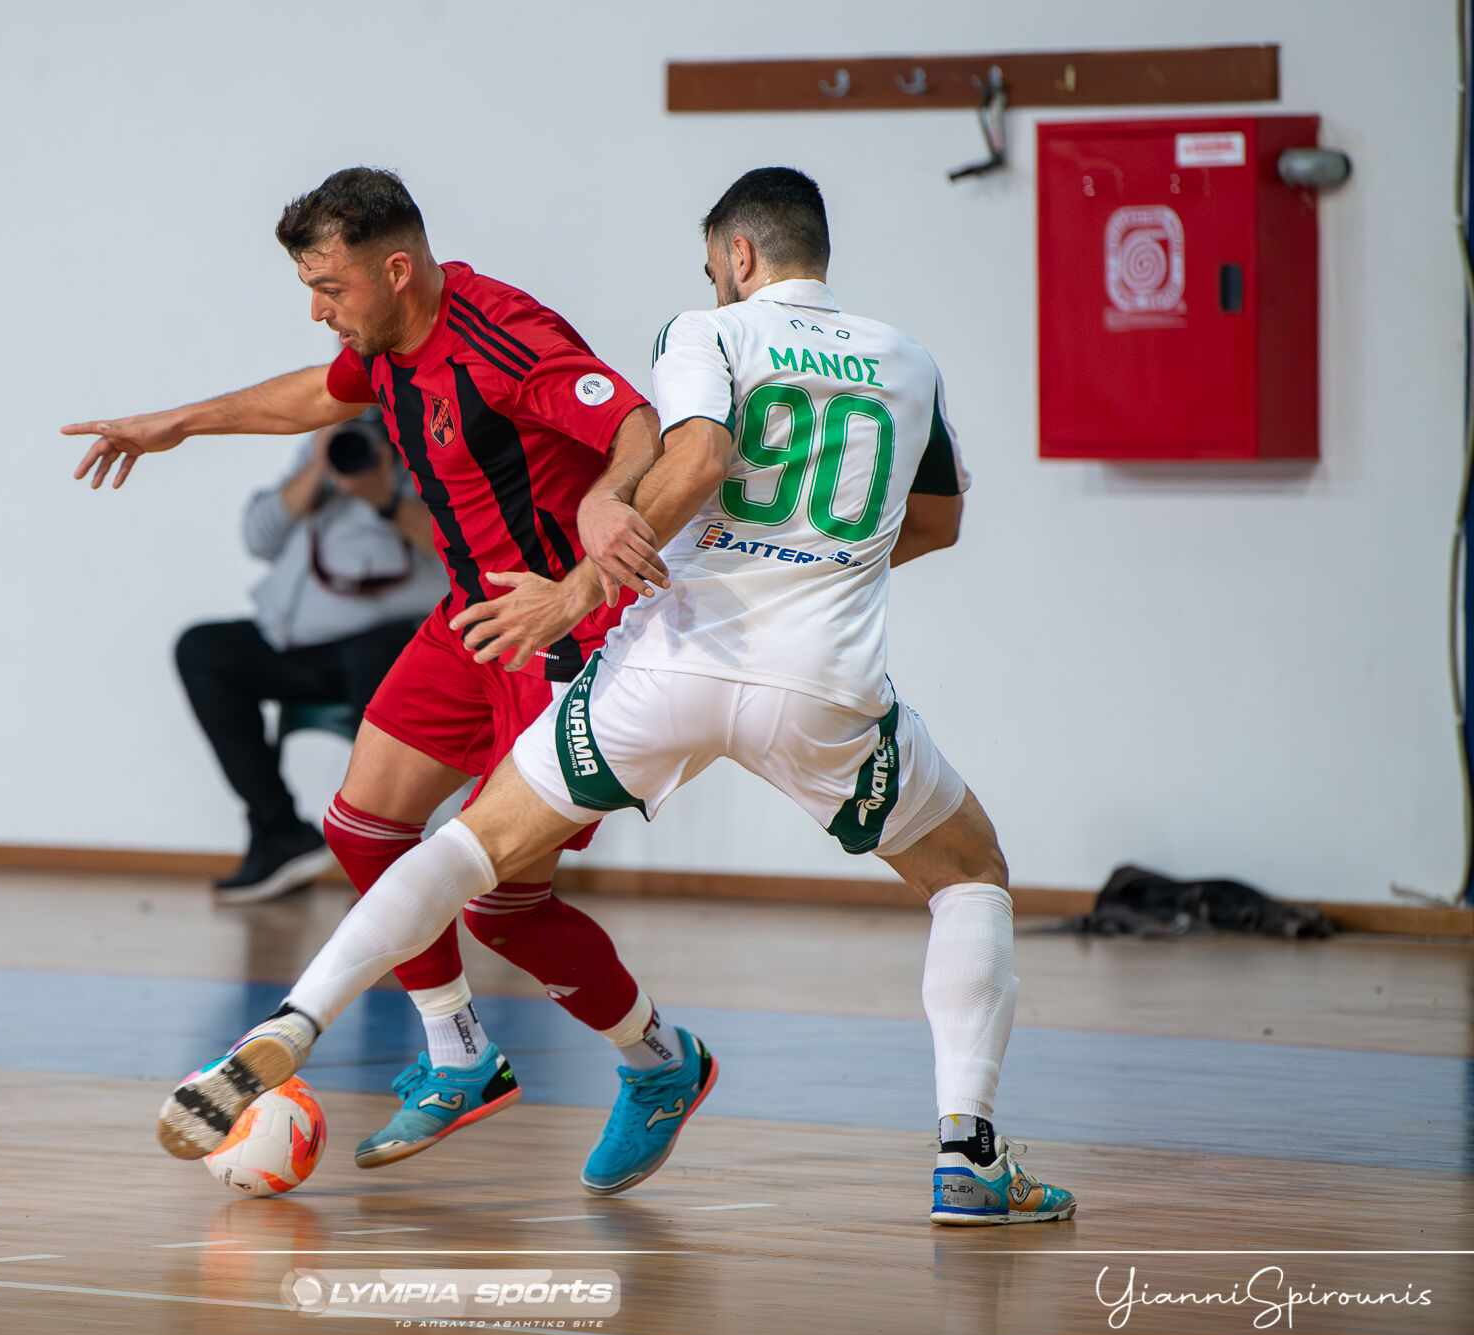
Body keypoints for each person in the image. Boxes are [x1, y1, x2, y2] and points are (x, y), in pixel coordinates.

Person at [158, 168, 1078, 1224]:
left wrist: (583, 575)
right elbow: (934, 522)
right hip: (805, 678)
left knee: (476, 869)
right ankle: (965, 1152)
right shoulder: (909, 361)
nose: (318, 308)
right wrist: (817, 565)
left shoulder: (697, 332)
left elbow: (685, 446)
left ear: (734, 258)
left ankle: (324, 1023)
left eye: (326, 286)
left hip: (637, 648)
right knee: (968, 875)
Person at [65, 168, 682, 1171]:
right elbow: (312, 396)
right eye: (307, 288)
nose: (318, 310)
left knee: (500, 905)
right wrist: (175, 423)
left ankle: (658, 1062)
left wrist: (608, 504)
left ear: (396, 270)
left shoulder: (503, 333)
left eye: (331, 288)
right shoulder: (386, 341)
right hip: (465, 621)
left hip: (559, 633)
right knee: (360, 827)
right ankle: (459, 1053)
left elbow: (634, 425)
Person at [176, 412, 447, 903]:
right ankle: (279, 834)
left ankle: (390, 856)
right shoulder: (320, 453)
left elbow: (459, 552)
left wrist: (384, 497)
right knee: (202, 648)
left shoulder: (431, 459)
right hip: (296, 646)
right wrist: (319, 468)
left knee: (380, 651)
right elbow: (258, 539)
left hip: (388, 653)